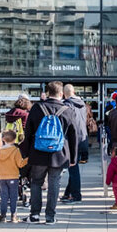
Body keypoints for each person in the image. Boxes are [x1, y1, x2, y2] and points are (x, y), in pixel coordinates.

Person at [19, 80, 79, 224]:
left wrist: (26, 153)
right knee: (54, 184)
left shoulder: (37, 108)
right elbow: (73, 136)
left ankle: (34, 215)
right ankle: (50, 216)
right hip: (59, 154)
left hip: (38, 153)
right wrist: (73, 157)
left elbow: (28, 132)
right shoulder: (68, 110)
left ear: (47, 93)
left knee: (36, 183)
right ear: (61, 93)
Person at [61, 84, 88, 203]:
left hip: (73, 140)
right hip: (82, 138)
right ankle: (68, 193)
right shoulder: (82, 105)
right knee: (73, 166)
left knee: (73, 168)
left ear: (64, 93)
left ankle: (76, 195)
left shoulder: (67, 105)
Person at [0, 129, 27, 224]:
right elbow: (20, 164)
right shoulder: (15, 150)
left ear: (3, 139)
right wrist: (27, 159)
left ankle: (3, 215)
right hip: (13, 176)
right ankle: (13, 215)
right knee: (13, 196)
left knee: (4, 196)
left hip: (2, 177)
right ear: (14, 140)